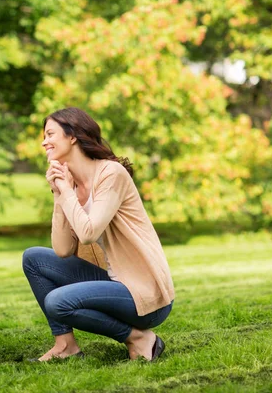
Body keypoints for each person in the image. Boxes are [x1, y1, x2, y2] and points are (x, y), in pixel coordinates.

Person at [22, 107, 174, 362]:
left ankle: (138, 337)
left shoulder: (111, 174)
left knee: (57, 302)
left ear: (72, 137)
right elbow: (62, 250)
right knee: (33, 258)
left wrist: (67, 193)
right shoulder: (70, 184)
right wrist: (60, 194)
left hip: (143, 294)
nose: (44, 141)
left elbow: (89, 232)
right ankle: (65, 345)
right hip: (113, 281)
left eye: (50, 134)